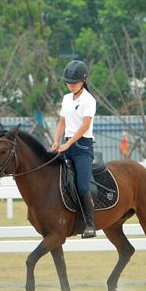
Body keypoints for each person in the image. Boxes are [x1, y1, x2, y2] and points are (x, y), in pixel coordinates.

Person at [51, 59, 97, 239]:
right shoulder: (66, 99)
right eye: (68, 82)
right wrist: (56, 141)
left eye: (74, 82)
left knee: (82, 185)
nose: (71, 85)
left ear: (83, 81)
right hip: (66, 144)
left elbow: (85, 126)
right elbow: (62, 122)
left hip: (82, 147)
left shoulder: (89, 100)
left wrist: (68, 144)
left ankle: (90, 224)